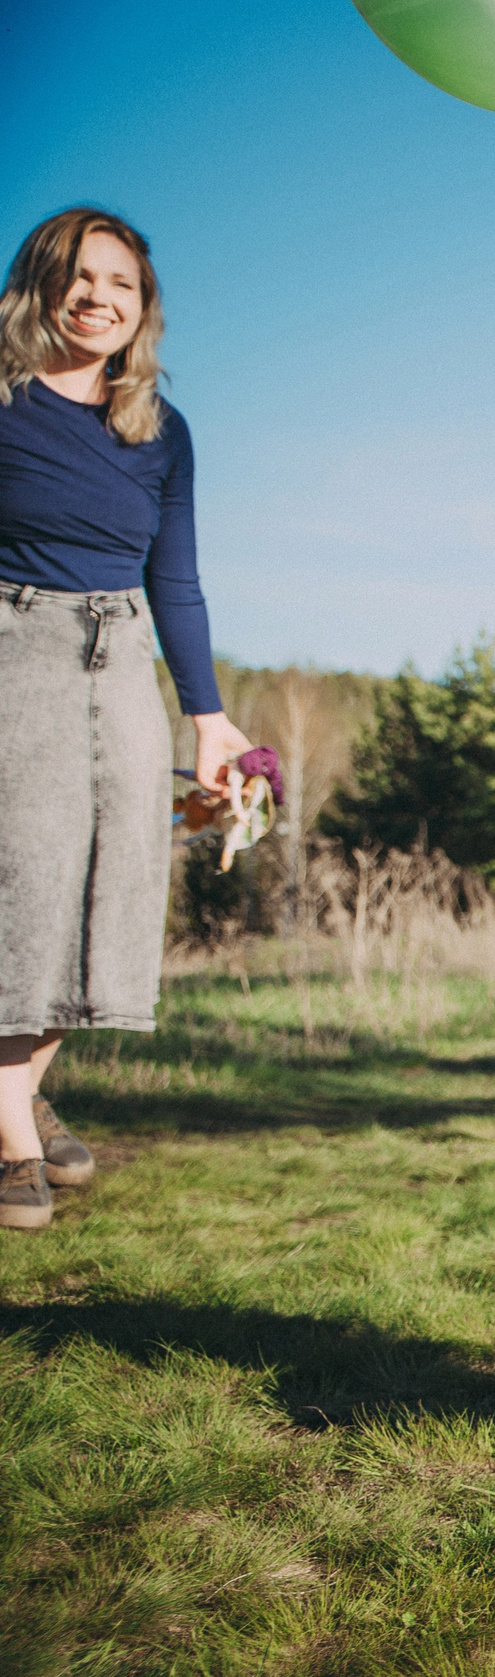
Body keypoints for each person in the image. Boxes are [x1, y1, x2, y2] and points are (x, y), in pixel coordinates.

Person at [0, 209, 252, 1231]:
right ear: (40, 283)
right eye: (81, 275)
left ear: (142, 309)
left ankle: (14, 1093)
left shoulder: (158, 428)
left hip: (123, 659)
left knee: (108, 888)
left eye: (123, 284)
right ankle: (14, 1136)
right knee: (26, 881)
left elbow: (175, 581)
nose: (99, 297)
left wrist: (210, 718)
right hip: (17, 648)